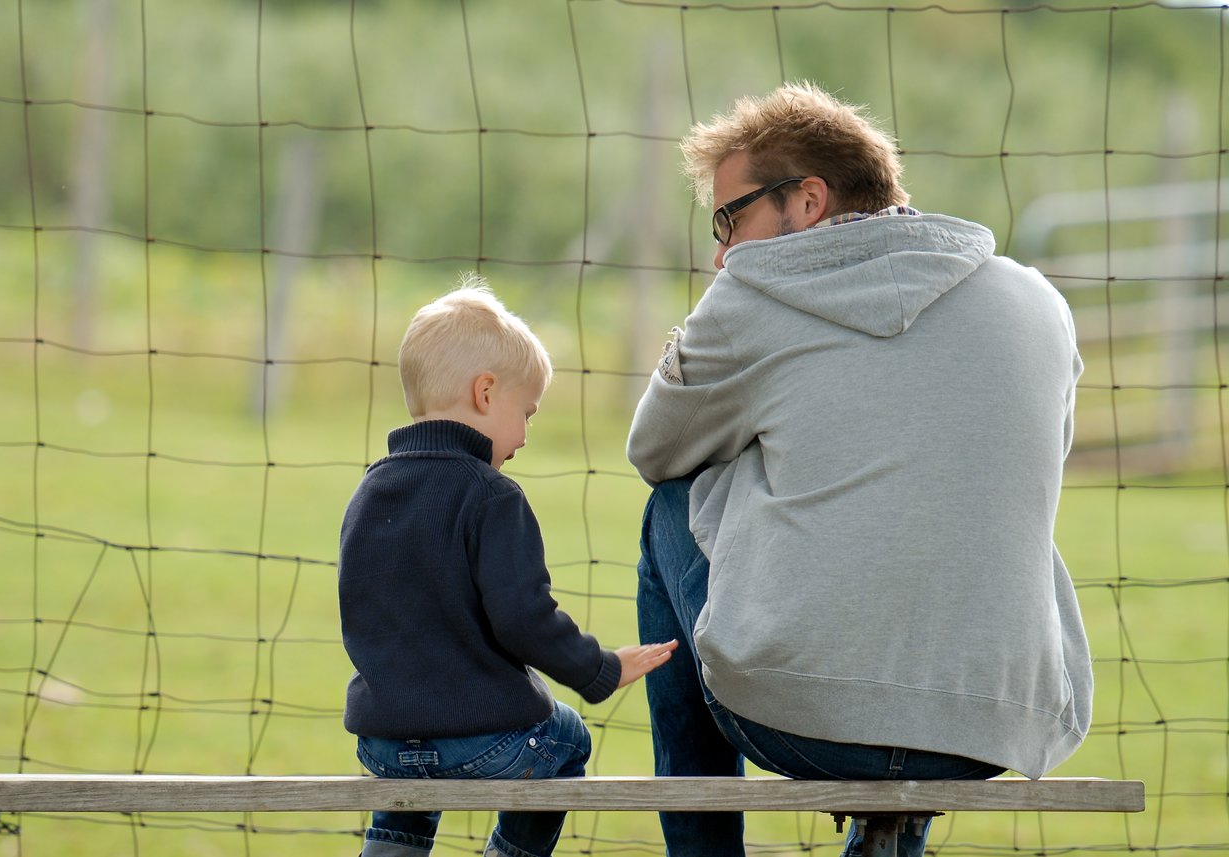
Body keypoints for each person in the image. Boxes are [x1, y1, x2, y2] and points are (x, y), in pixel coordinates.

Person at [626, 81, 1092, 857]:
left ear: (807, 200)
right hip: (992, 725)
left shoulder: (752, 292)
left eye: (727, 219)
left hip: (799, 717)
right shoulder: (1039, 303)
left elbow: (655, 450)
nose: (720, 252)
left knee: (672, 507)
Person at [340, 275, 677, 857]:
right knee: (566, 739)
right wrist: (598, 669)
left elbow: (362, 607)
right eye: (527, 412)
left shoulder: (370, 491)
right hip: (482, 744)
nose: (523, 435)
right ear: (486, 393)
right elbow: (524, 618)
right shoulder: (491, 496)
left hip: (384, 741)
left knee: (409, 794)